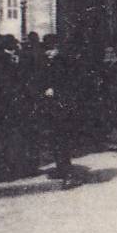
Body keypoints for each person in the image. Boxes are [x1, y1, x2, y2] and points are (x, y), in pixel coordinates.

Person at [0, 35, 34, 181]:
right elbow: (11, 86)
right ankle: (3, 173)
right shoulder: (5, 62)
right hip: (3, 108)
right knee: (4, 140)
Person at [32, 34, 78, 184]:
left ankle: (67, 174)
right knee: (56, 140)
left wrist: (54, 89)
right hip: (54, 108)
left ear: (57, 48)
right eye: (47, 50)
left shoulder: (65, 61)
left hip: (63, 107)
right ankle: (62, 170)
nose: (48, 53)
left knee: (63, 140)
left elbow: (70, 83)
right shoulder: (49, 62)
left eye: (51, 49)